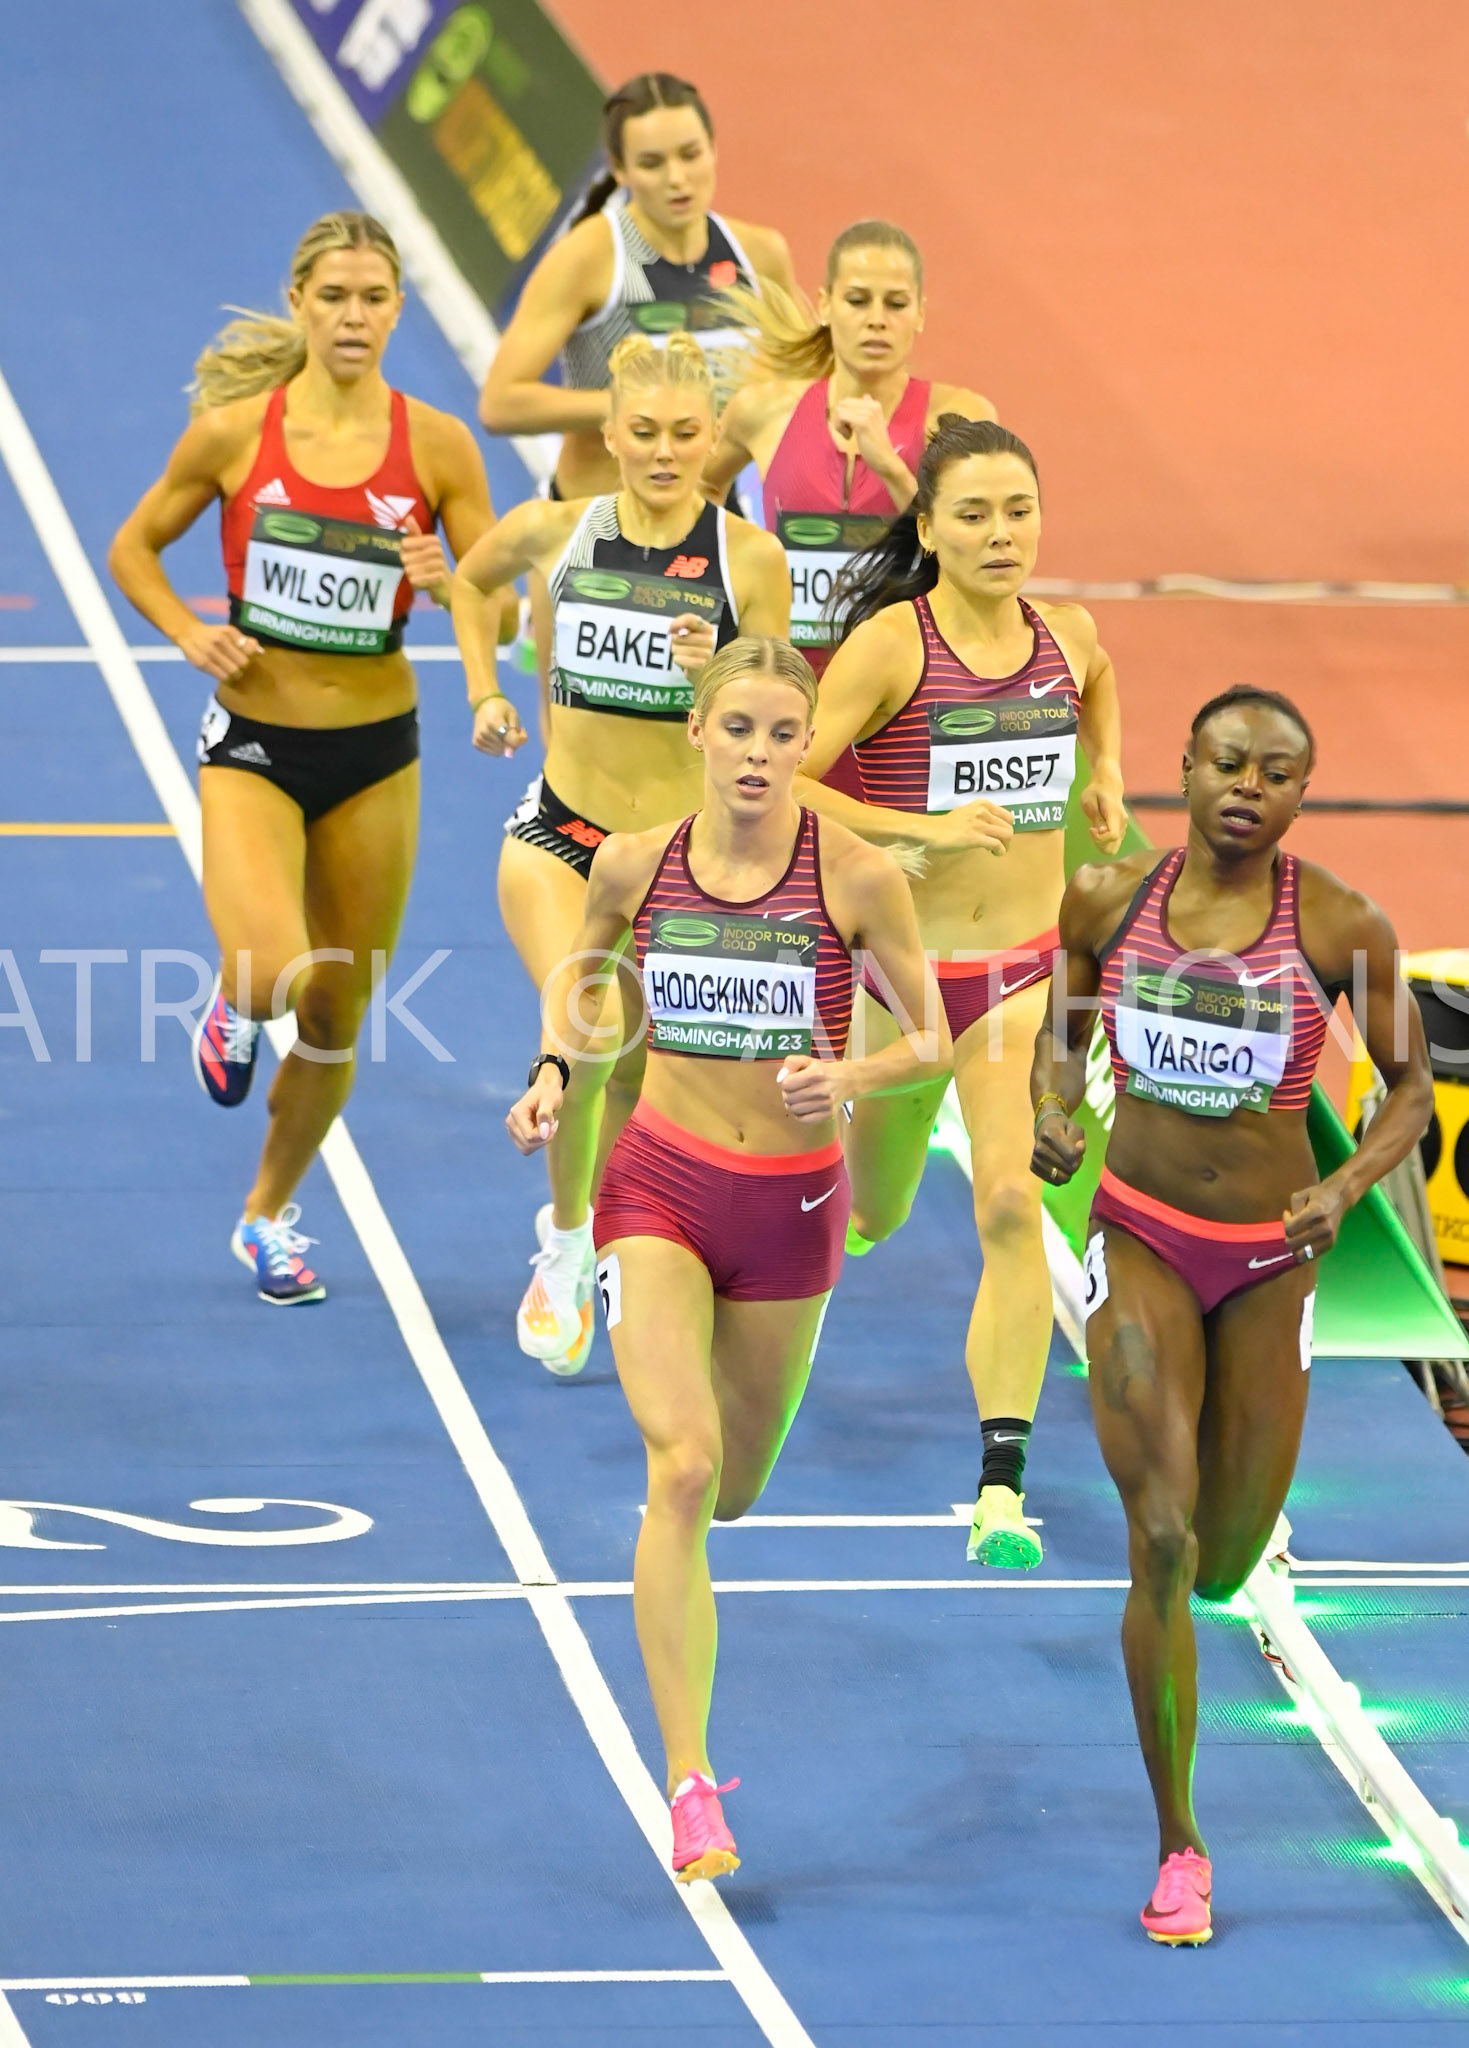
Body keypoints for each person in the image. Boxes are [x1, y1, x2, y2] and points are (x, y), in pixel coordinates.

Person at [506, 637, 948, 1879]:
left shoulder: (854, 877)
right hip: (658, 1184)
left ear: (805, 747)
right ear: (695, 734)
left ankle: (693, 1746)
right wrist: (551, 1072)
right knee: (684, 1467)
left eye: (781, 734)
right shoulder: (636, 861)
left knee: (738, 1487)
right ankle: (689, 1775)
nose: (758, 754)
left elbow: (933, 1042)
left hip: (792, 1205)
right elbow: (587, 985)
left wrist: (850, 1071)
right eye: (737, 729)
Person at [1030, 684, 1432, 1946]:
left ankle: (1226, 1557)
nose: (1245, 786)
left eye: (1274, 771)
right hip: (1140, 1234)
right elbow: (1063, 1028)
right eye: (1224, 762)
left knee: (1220, 1555)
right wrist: (1053, 1108)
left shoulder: (1337, 924)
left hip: (1266, 1261)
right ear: (1183, 766)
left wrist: (1345, 1184)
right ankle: (1180, 1844)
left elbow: (1411, 1088)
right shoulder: (1106, 896)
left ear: (1300, 792)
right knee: (1156, 1533)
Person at [109, 211, 497, 1303]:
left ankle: (266, 1214)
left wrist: (446, 579)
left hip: (379, 750)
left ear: (397, 311)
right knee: (277, 968)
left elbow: (501, 600)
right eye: (335, 297)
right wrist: (188, 631)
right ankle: (234, 997)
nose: (354, 317)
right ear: (299, 303)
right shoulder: (236, 434)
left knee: (334, 1015)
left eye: (374, 298)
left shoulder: (438, 447)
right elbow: (133, 546)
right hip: (256, 742)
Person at [793, 416, 1126, 1566]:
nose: (1000, 534)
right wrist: (913, 828)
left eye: (1018, 511)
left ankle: (999, 1481)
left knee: (1005, 1204)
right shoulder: (891, 646)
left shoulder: (1066, 632)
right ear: (926, 529)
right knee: (873, 1214)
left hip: (1022, 977)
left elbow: (1096, 683)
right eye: (973, 514)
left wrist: (1108, 777)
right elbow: (778, 775)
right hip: (902, 980)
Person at [453, 332, 790, 1372]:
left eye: (684, 433)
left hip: (676, 862)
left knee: (646, 1074)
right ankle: (562, 1247)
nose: (661, 452)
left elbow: (779, 715)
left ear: (711, 438)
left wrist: (719, 672)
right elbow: (471, 585)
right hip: (560, 834)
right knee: (587, 1026)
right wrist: (483, 690)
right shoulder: (555, 531)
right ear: (606, 435)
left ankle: (618, 1222)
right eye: (641, 432)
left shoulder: (749, 561)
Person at [478, 72, 797, 502]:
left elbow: (806, 382)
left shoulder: (758, 254)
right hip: (592, 530)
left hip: (709, 525)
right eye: (652, 163)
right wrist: (628, 406)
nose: (677, 178)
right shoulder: (588, 259)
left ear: (713, 149)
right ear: (619, 168)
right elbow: (500, 403)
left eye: (690, 154)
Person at [704, 218, 994, 690]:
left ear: (920, 312)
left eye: (896, 303)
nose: (876, 318)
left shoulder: (959, 417)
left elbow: (977, 547)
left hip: (908, 694)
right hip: (789, 694)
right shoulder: (764, 411)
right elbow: (701, 489)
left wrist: (890, 467)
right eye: (858, 300)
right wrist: (733, 570)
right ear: (824, 305)